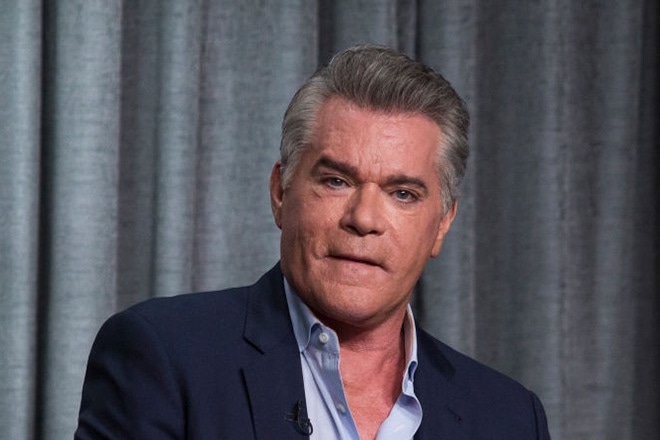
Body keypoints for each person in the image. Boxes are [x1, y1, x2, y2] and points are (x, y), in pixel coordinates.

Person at [75, 45, 550, 439]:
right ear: (281, 193)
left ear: (442, 223)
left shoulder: (510, 418)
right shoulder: (163, 356)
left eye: (402, 193)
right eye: (336, 181)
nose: (364, 219)